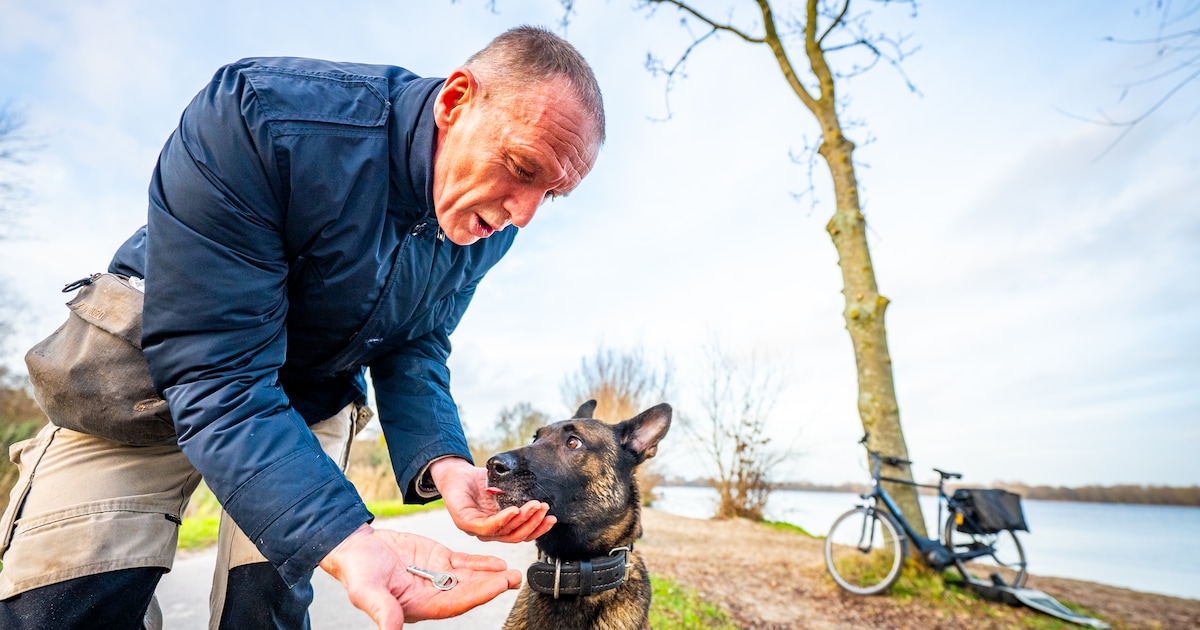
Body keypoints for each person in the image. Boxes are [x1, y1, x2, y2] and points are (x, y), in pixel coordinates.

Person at [0, 26, 604, 630]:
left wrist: (445, 463)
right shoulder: (261, 116)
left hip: (311, 394)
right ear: (454, 102)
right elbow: (217, 372)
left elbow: (416, 341)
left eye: (549, 194)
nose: (522, 213)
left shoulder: (485, 225)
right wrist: (341, 531)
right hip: (147, 377)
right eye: (521, 167)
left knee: (268, 611)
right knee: (59, 602)